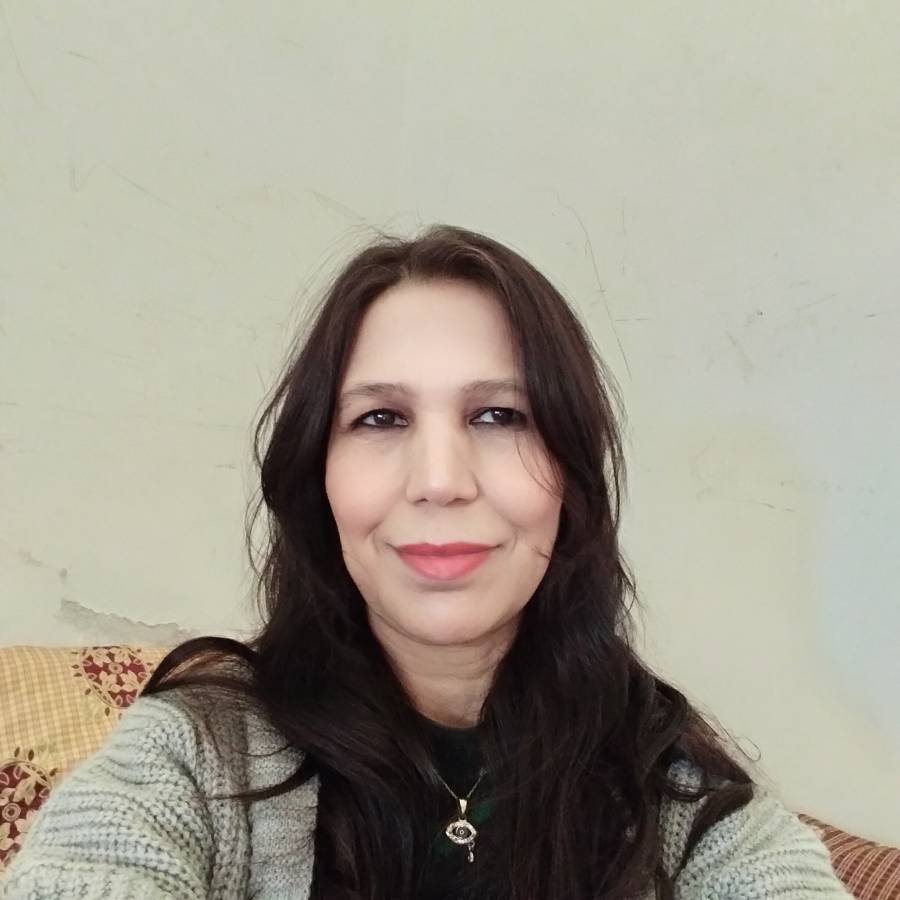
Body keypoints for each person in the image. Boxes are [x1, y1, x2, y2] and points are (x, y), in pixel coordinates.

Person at [2, 225, 850, 899]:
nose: (440, 481)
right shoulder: (194, 755)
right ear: (317, 478)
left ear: (570, 476)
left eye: (499, 416)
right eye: (379, 419)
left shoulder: (677, 792)